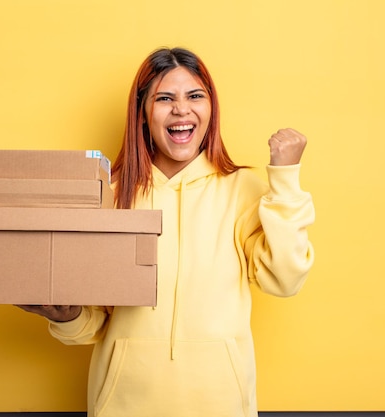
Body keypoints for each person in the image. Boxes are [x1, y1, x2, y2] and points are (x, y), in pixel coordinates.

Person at [18, 47, 315, 417]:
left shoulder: (242, 190)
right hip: (122, 406)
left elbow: (284, 280)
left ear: (211, 109)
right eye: (164, 98)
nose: (181, 109)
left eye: (195, 96)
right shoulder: (110, 194)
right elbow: (95, 322)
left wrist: (285, 180)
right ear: (143, 114)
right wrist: (65, 316)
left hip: (221, 406)